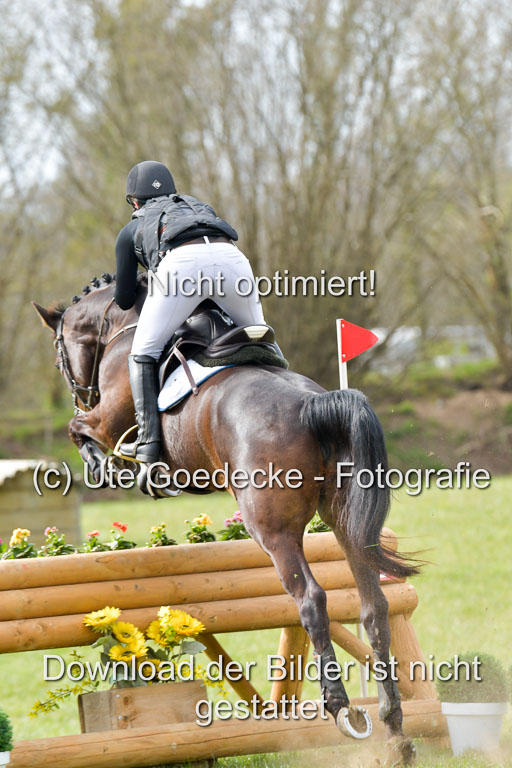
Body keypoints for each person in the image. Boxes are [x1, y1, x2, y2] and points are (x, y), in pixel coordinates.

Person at [114, 160, 266, 463]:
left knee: (142, 352)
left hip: (182, 267)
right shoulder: (198, 208)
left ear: (133, 201)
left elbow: (124, 299)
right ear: (173, 191)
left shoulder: (132, 228)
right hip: (232, 259)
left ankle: (148, 442)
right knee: (261, 335)